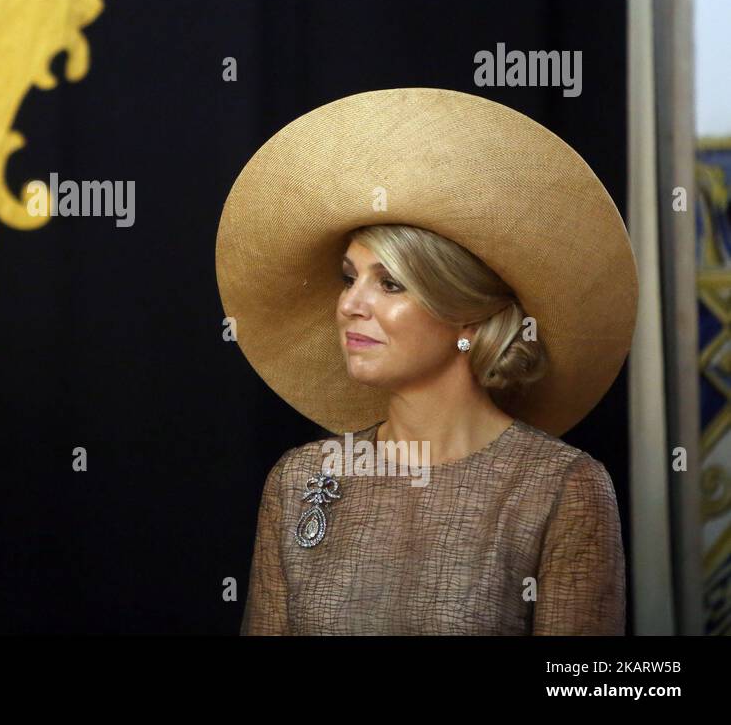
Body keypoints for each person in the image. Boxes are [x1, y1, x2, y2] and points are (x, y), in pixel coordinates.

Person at [215, 87, 635, 635]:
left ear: (467, 316)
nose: (349, 304)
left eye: (390, 284)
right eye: (349, 278)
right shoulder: (301, 479)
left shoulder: (560, 488)